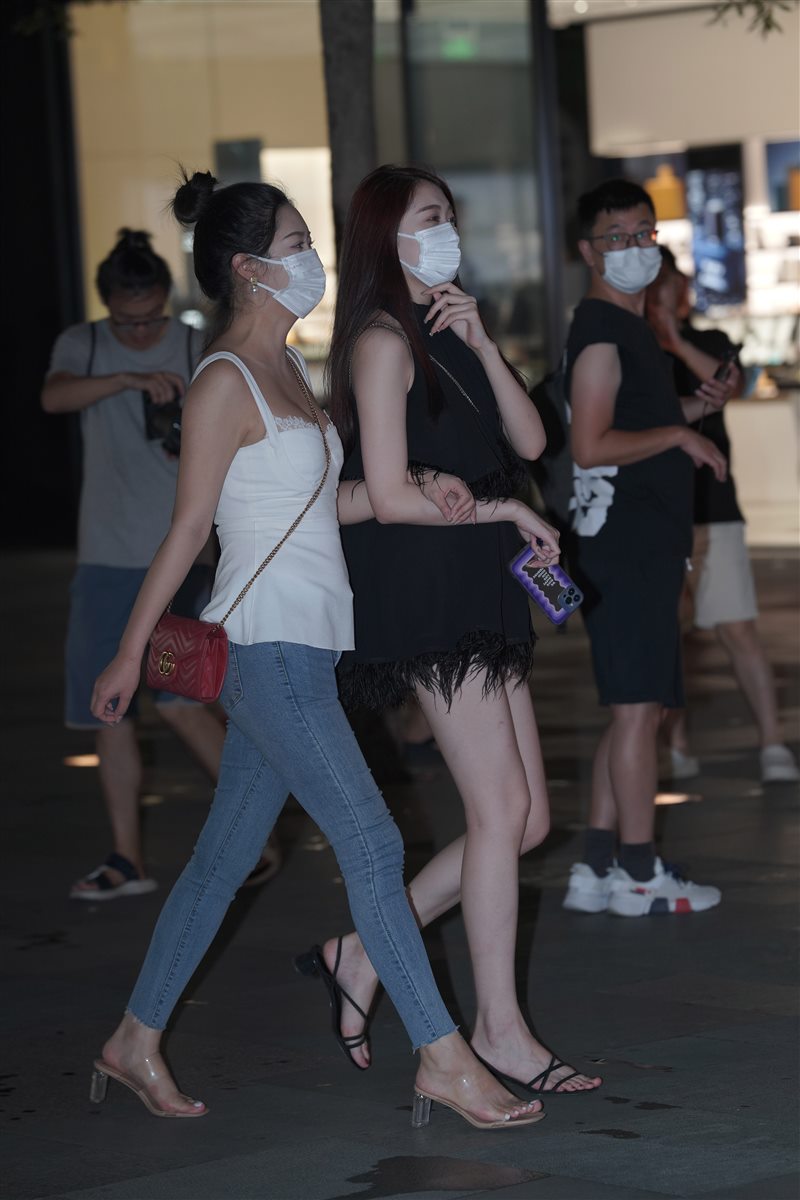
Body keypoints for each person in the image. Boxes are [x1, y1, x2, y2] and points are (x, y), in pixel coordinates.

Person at [87, 170, 544, 1131]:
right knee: (372, 843)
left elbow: (320, 506)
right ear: (249, 268)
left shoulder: (290, 370)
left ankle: (133, 1039)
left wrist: (430, 483)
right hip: (266, 650)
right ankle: (445, 1059)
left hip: (308, 643)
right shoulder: (224, 380)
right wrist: (130, 654)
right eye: (297, 243)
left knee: (222, 859)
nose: (314, 259)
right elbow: (189, 530)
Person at [324, 164, 601, 1096]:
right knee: (496, 813)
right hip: (433, 588)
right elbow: (387, 493)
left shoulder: (443, 330)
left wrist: (482, 340)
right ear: (388, 236)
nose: (449, 230)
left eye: (449, 215)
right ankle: (498, 1030)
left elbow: (532, 444)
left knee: (529, 819)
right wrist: (504, 513)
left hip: (479, 585)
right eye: (431, 217)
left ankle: (364, 950)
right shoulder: (378, 342)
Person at [41, 230, 278, 899]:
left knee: (181, 698)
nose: (141, 333)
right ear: (108, 309)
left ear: (166, 302)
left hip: (185, 557)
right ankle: (126, 859)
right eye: (128, 322)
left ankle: (259, 834)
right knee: (106, 710)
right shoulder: (84, 346)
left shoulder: (198, 346)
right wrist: (125, 379)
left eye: (150, 319)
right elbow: (53, 397)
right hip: (106, 556)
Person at [560, 179, 730, 919]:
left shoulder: (631, 330)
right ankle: (639, 872)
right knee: (638, 712)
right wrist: (681, 434)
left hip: (639, 544)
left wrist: (691, 409)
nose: (634, 248)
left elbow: (635, 423)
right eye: (617, 236)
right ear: (588, 251)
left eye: (644, 233)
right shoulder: (602, 331)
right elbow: (591, 443)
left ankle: (597, 866)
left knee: (637, 710)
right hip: (623, 548)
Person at [646, 249, 799, 786]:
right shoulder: (625, 345)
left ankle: (772, 741)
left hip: (713, 506)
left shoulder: (708, 340)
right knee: (666, 632)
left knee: (737, 627)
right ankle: (676, 744)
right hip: (656, 512)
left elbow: (725, 386)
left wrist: (675, 339)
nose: (669, 289)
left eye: (671, 280)